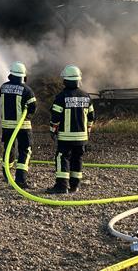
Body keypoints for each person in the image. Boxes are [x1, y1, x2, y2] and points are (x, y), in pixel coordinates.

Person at [46, 65, 96, 194]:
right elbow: (91, 117)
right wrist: (88, 131)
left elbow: (55, 117)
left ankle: (61, 186)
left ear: (65, 81)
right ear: (78, 80)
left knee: (62, 158)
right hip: (82, 138)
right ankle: (75, 186)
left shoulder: (61, 97)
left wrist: (52, 130)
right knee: (77, 159)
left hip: (66, 137)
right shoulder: (86, 96)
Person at [0, 61, 37, 188]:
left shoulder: (3, 87)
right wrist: (27, 114)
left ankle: (7, 175)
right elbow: (33, 108)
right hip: (23, 127)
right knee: (25, 150)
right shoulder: (27, 90)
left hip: (7, 126)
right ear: (23, 76)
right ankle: (20, 179)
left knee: (8, 150)